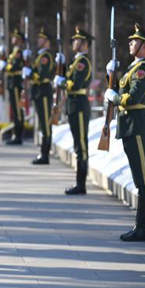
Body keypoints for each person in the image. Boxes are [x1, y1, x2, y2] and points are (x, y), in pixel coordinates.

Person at [104, 23, 145, 242]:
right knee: (139, 178)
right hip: (129, 125)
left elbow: (131, 97)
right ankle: (139, 225)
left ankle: (143, 227)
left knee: (144, 179)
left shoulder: (143, 69)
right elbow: (122, 90)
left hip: (138, 125)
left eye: (134, 41)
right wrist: (111, 76)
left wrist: (114, 97)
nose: (130, 43)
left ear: (144, 46)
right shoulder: (133, 69)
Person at [55, 26, 93, 195]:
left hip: (79, 104)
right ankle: (79, 182)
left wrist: (61, 82)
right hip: (73, 104)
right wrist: (62, 65)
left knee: (81, 146)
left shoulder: (83, 63)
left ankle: (81, 184)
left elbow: (74, 84)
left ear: (85, 44)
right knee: (78, 145)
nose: (74, 42)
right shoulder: (76, 61)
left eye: (77, 40)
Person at [23, 27, 54, 164]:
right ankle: (43, 153)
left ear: (47, 42)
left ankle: (45, 154)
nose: (39, 40)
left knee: (45, 124)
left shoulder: (45, 57)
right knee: (42, 123)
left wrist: (29, 73)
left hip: (43, 91)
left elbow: (42, 75)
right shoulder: (40, 56)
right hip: (38, 92)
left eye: (42, 38)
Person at [1, 29, 25, 145]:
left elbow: (14, 67)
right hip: (11, 82)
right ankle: (16, 134)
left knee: (17, 110)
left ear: (19, 40)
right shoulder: (14, 52)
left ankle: (18, 135)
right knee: (15, 110)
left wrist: (5, 66)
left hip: (16, 82)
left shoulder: (18, 52)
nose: (12, 39)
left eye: (15, 37)